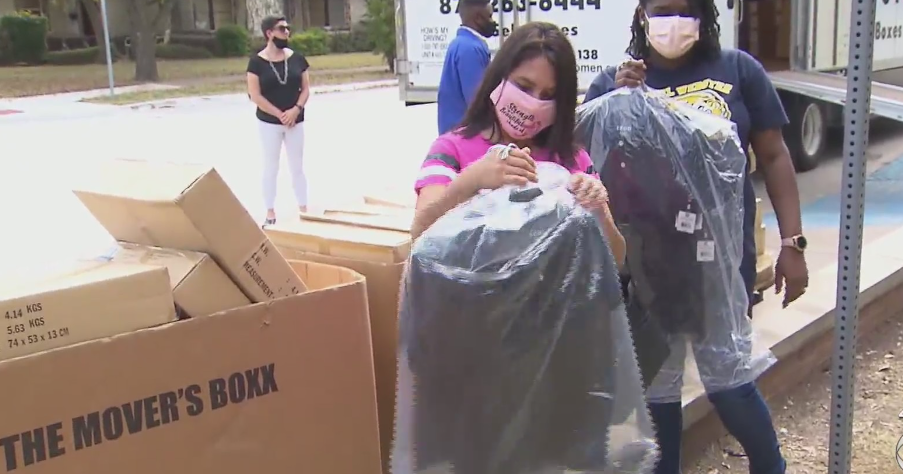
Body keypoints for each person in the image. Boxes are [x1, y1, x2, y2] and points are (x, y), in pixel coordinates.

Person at [582, 1, 809, 474]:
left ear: (704, 13)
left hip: (719, 266)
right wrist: (619, 102)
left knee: (730, 383)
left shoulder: (737, 70)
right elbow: (584, 165)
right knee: (659, 393)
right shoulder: (612, 84)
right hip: (646, 270)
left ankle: (771, 467)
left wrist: (792, 244)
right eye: (662, 9)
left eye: (685, 8)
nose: (673, 20)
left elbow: (774, 156)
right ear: (642, 13)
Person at [413, 21, 626, 268]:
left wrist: (598, 209)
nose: (533, 103)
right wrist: (471, 181)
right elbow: (419, 232)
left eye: (548, 96)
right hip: (471, 304)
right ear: (498, 78)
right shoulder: (451, 150)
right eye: (524, 86)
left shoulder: (573, 160)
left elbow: (617, 260)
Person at [246, 15, 311, 226]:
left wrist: (295, 109)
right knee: (271, 166)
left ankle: (304, 209)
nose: (286, 33)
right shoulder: (256, 62)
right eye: (282, 29)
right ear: (269, 33)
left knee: (297, 166)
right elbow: (254, 95)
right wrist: (278, 114)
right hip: (269, 123)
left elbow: (306, 89)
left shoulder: (297, 58)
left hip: (295, 121)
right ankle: (270, 212)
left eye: (287, 29)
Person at [436, 0, 496, 135]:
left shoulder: (460, 44)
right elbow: (478, 102)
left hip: (455, 135)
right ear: (478, 18)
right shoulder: (470, 49)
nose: (493, 21)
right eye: (490, 16)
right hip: (464, 137)